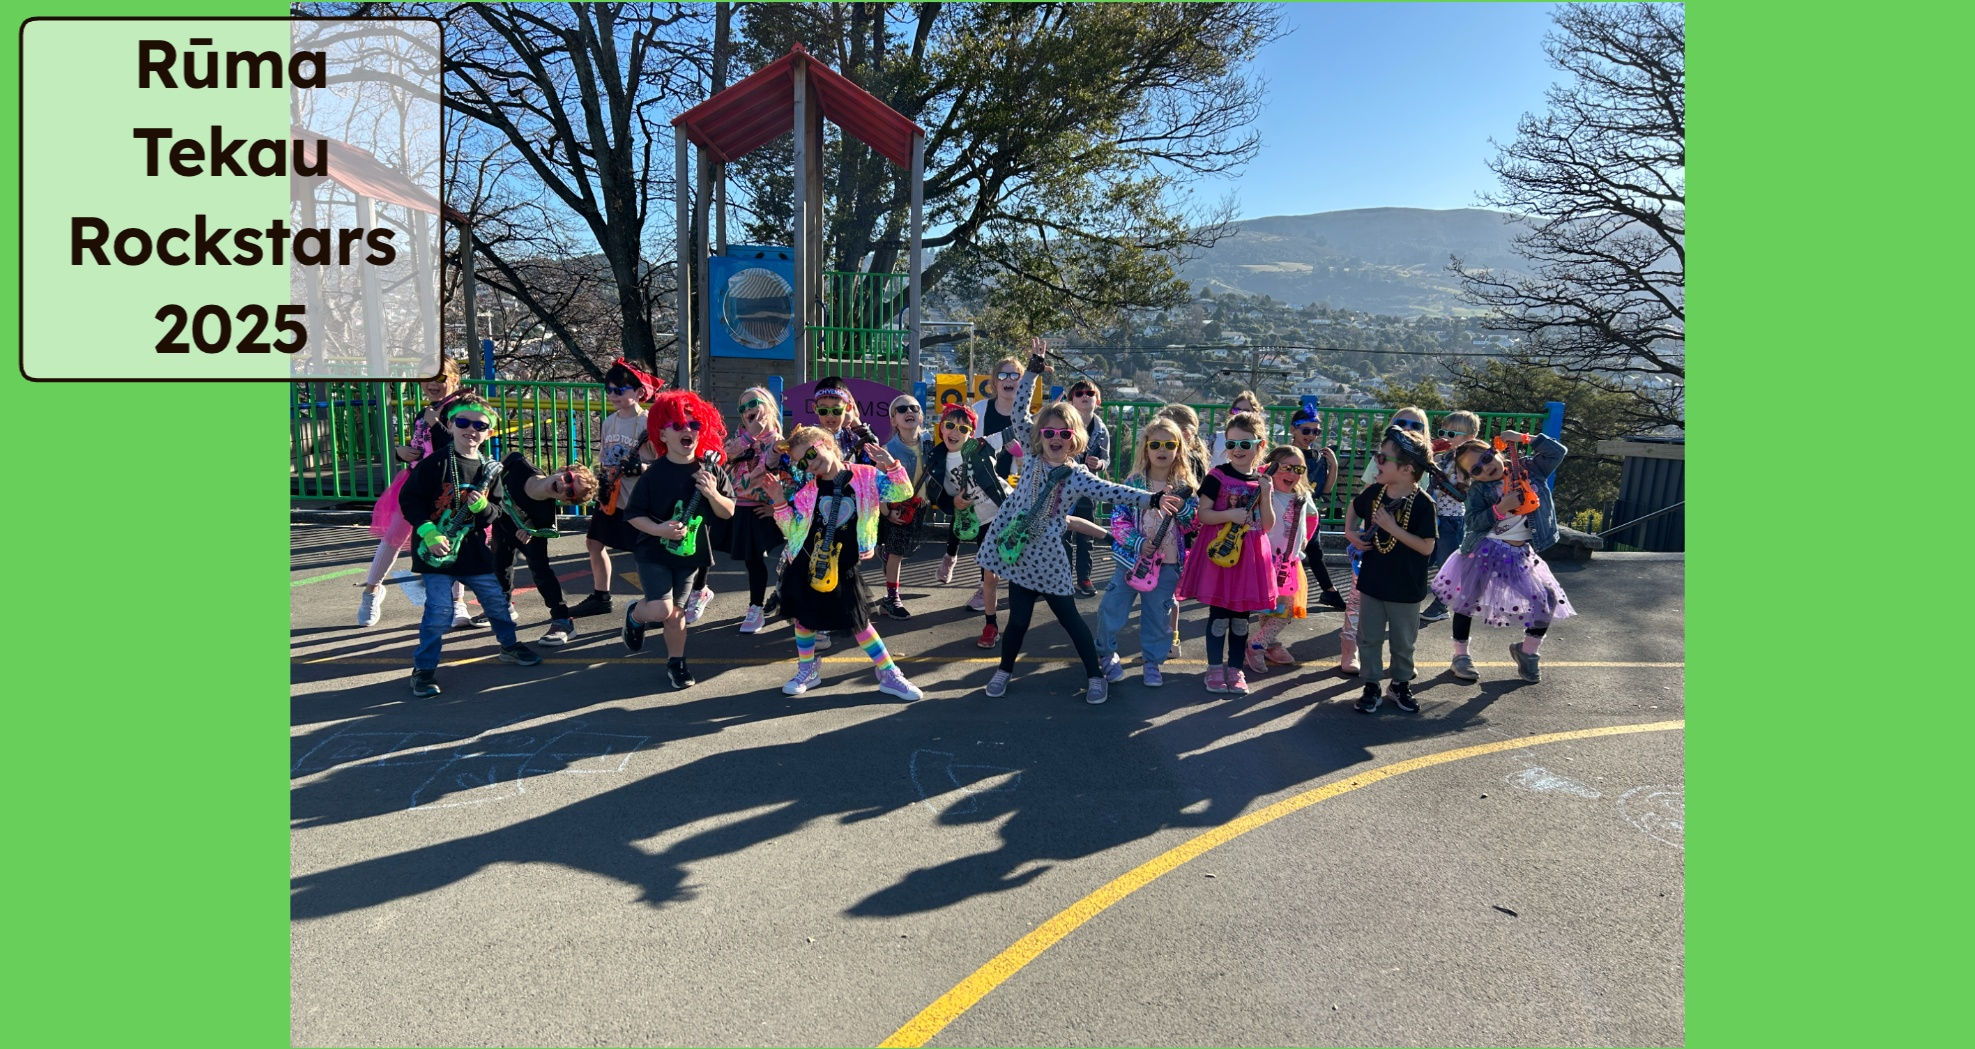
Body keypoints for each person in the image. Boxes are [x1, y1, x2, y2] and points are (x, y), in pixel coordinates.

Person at [978, 341, 1181, 704]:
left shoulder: (1076, 476)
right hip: (1019, 556)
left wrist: (1151, 499)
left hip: (1049, 560)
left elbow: (1113, 491)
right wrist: (1033, 370)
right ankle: (1003, 671)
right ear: (1039, 435)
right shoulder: (1032, 455)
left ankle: (1094, 675)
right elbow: (1019, 410)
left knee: (1071, 622)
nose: (1055, 438)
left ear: (1075, 439)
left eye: (1064, 434)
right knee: (1018, 622)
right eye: (1049, 432)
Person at [752, 426, 924, 700]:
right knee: (804, 620)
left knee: (859, 621)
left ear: (826, 443)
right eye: (802, 463)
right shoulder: (808, 491)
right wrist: (780, 503)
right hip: (807, 562)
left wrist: (891, 465)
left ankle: (889, 673)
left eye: (811, 454)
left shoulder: (866, 476)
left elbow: (902, 492)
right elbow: (793, 532)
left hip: (843, 564)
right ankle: (807, 669)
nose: (810, 464)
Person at [397, 393, 542, 697]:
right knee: (438, 611)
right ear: (450, 425)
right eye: (463, 422)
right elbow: (409, 499)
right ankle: (423, 669)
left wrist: (483, 508)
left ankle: (509, 645)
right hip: (435, 551)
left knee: (496, 602)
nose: (471, 429)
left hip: (473, 550)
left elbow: (497, 512)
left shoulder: (490, 469)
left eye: (480, 425)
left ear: (490, 432)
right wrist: (427, 531)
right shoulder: (435, 462)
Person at [1432, 430, 1575, 684]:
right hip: (1484, 550)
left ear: (1496, 451)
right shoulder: (1479, 490)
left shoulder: (1530, 469)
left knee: (1547, 598)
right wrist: (1499, 508)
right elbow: (1473, 521)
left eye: (1487, 459)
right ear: (1472, 477)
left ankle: (1527, 652)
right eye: (1476, 470)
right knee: (1466, 602)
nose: (1485, 468)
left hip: (1519, 554)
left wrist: (1524, 438)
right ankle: (1460, 656)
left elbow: (1557, 452)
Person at [620, 391, 736, 690]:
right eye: (678, 425)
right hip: (653, 552)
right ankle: (636, 615)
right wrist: (660, 530)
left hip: (689, 554)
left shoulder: (711, 470)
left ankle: (677, 662)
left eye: (695, 424)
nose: (688, 430)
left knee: (676, 613)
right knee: (660, 609)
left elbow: (728, 511)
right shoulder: (654, 474)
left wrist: (712, 493)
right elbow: (633, 514)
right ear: (662, 434)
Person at [357, 358, 470, 627]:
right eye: (426, 377)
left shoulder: (463, 409)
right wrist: (402, 451)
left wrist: (436, 424)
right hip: (416, 483)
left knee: (452, 540)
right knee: (394, 535)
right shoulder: (426, 412)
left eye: (440, 377)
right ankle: (371, 591)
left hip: (450, 485)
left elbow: (463, 446)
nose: (432, 383)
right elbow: (421, 448)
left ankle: (457, 602)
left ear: (454, 379)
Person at [1176, 410, 1279, 696]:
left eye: (1245, 444)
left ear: (1260, 445)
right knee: (1219, 615)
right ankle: (1213, 669)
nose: (1237, 450)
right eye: (1231, 444)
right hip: (1219, 555)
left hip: (1249, 557)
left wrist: (1266, 494)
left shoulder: (1262, 481)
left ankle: (1235, 670)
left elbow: (1267, 525)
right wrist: (1230, 515)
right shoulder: (1217, 476)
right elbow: (1204, 515)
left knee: (1241, 618)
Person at [1092, 417, 1198, 688]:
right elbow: (1118, 520)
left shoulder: (1186, 485)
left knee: (1158, 617)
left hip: (1168, 565)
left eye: (1169, 444)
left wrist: (1184, 509)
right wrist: (1137, 543)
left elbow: (1193, 524)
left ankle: (1152, 661)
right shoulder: (1134, 482)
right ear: (1146, 448)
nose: (1162, 450)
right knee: (1111, 609)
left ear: (1178, 449)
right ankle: (1106, 653)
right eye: (1156, 444)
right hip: (1130, 562)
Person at [1346, 427, 1438, 714]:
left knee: (1403, 642)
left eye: (1383, 458)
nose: (1377, 463)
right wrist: (1350, 533)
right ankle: (1371, 684)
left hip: (1406, 587)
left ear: (1407, 469)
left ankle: (1400, 683)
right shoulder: (1375, 493)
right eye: (1378, 456)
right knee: (1369, 638)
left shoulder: (1423, 503)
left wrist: (1392, 528)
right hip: (1373, 582)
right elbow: (1354, 507)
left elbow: (1426, 547)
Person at [1338, 404, 1431, 674]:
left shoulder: (1425, 468)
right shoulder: (1383, 461)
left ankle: (1401, 663)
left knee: (1401, 611)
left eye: (1416, 426)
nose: (1408, 429)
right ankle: (1349, 649)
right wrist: (1351, 532)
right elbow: (1363, 501)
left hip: (1406, 550)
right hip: (1373, 543)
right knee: (1358, 599)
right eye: (1401, 424)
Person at [569, 358, 662, 621]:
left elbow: (663, 462)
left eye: (619, 390)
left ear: (640, 392)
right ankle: (601, 596)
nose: (612, 395)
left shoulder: (649, 423)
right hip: (612, 496)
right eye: (609, 389)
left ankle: (656, 602)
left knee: (642, 553)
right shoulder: (609, 422)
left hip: (638, 500)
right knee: (594, 542)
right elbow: (605, 458)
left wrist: (642, 468)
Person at [918, 404, 1011, 647]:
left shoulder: (981, 446)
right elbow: (937, 494)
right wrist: (953, 502)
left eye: (963, 428)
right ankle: (990, 623)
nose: (955, 432)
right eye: (950, 425)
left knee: (995, 566)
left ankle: (993, 614)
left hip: (1000, 512)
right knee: (986, 567)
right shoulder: (936, 458)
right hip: (972, 516)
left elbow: (1016, 430)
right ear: (941, 428)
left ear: (971, 433)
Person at [491, 455, 599, 646]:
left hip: (525, 533)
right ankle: (503, 605)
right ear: (562, 470)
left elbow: (541, 526)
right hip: (502, 524)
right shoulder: (521, 466)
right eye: (568, 478)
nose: (565, 486)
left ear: (565, 500)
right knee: (500, 564)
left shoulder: (545, 512)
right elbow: (509, 458)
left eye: (570, 492)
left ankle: (562, 619)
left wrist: (530, 528)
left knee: (540, 571)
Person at [1245, 445, 1321, 676]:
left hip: (1288, 563)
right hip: (1265, 561)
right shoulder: (1264, 493)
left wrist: (1305, 538)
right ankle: (1260, 644)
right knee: (1270, 608)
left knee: (1285, 610)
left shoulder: (1302, 496)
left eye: (1299, 469)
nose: (1292, 474)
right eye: (1286, 467)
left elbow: (1313, 516)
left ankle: (1263, 642)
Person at [721, 385, 787, 634]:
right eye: (743, 407)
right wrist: (749, 436)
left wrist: (775, 508)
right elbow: (724, 457)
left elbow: (771, 475)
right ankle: (753, 605)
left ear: (768, 407)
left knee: (782, 558)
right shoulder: (740, 438)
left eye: (753, 404)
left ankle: (767, 602)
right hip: (738, 508)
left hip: (764, 509)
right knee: (750, 560)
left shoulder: (778, 443)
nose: (748, 410)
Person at [1155, 402, 1211, 656]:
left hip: (1178, 533)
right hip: (1161, 529)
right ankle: (1168, 638)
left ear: (1187, 432)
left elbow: (1195, 500)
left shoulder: (1191, 461)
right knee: (1164, 590)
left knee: (1168, 589)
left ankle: (1170, 638)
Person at [1420, 410, 1480, 625]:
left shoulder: (1466, 461)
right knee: (1423, 558)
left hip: (1451, 519)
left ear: (1469, 438)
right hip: (1433, 516)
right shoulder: (1445, 457)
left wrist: (1442, 480)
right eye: (1443, 432)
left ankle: (1441, 605)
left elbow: (1463, 494)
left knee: (1447, 565)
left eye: (1452, 434)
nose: (1446, 437)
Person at [1287, 405, 1347, 611]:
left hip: (1308, 512)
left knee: (1315, 551)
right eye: (1306, 430)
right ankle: (1328, 591)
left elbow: (1326, 489)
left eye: (1316, 431)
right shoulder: (1284, 454)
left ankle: (1329, 591)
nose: (1311, 435)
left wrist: (1334, 466)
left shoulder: (1319, 457)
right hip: (1286, 510)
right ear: (1293, 429)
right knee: (1284, 553)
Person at [878, 393, 933, 619]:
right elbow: (878, 485)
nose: (908, 411)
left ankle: (886, 552)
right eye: (901, 409)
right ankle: (891, 599)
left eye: (913, 408)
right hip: (898, 509)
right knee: (898, 553)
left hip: (918, 506)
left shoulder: (929, 441)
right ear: (893, 420)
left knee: (903, 549)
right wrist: (886, 512)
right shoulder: (888, 450)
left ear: (921, 416)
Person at [1061, 379, 1111, 596]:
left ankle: (1084, 577)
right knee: (1062, 533)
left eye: (1090, 393)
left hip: (1088, 490)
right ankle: (1062, 576)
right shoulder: (1062, 424)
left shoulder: (1101, 430)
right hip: (1063, 488)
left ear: (1097, 401)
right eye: (1079, 393)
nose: (1084, 396)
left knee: (1086, 536)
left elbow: (1106, 459)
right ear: (1071, 400)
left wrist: (1099, 464)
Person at [1209, 389, 1267, 466]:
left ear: (1256, 414)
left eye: (1245, 444)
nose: (1240, 414)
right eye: (1236, 410)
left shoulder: (1258, 442)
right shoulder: (1215, 438)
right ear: (1230, 413)